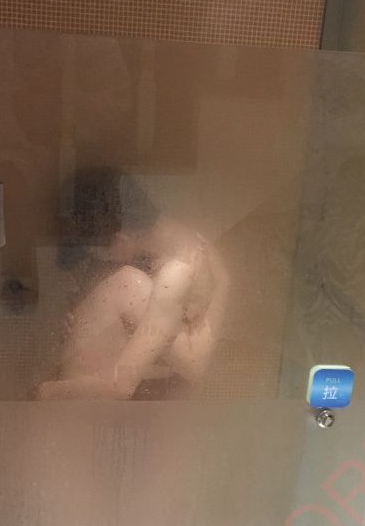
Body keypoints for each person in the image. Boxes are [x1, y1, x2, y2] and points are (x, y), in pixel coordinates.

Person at [34, 166, 230, 400]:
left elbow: (193, 365)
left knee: (123, 283)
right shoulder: (162, 247)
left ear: (121, 239)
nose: (97, 259)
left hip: (131, 402)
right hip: (133, 393)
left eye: (95, 251)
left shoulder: (172, 274)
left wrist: (46, 391)